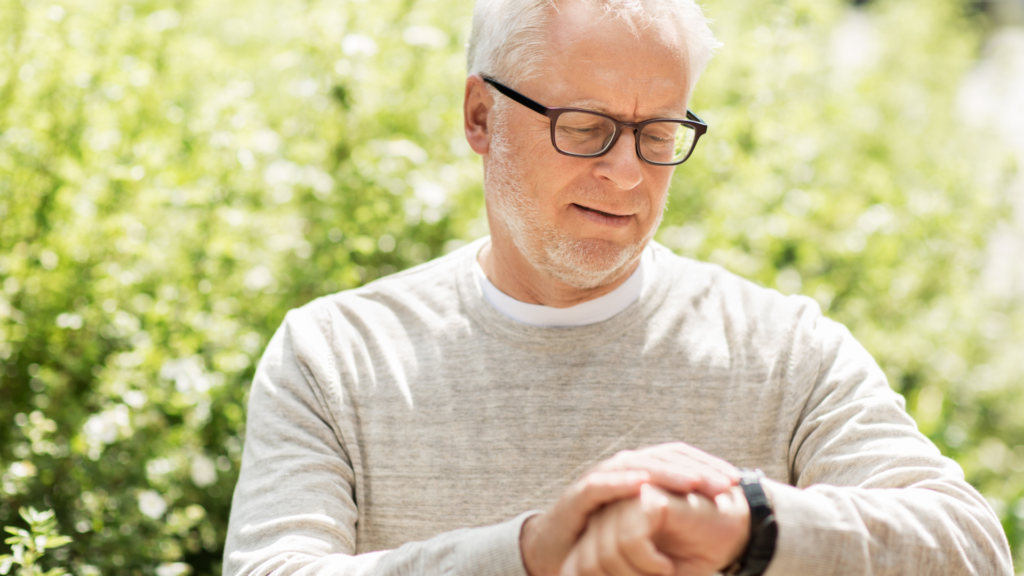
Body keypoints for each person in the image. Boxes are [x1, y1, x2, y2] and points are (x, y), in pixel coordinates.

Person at [222, 0, 1014, 574]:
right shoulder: (334, 354)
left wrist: (751, 523)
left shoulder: (785, 349)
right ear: (479, 116)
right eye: (585, 127)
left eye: (659, 132)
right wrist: (535, 550)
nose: (627, 172)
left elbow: (972, 549)